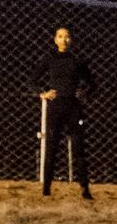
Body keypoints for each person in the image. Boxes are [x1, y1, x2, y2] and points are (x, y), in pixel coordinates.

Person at [35, 26, 96, 199]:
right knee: (52, 147)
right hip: (55, 107)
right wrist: (43, 93)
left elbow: (92, 84)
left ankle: (85, 189)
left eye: (67, 36)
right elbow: (33, 80)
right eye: (60, 36)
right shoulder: (50, 59)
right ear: (55, 40)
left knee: (79, 148)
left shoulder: (77, 61)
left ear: (72, 40)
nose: (64, 40)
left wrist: (83, 93)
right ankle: (46, 188)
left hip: (74, 108)